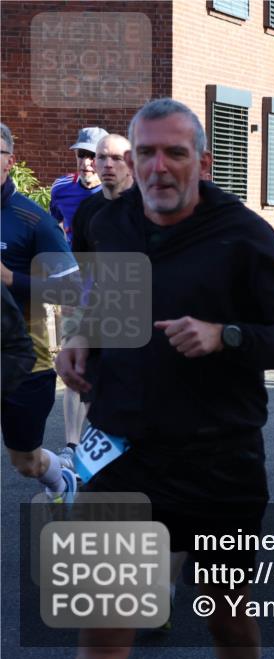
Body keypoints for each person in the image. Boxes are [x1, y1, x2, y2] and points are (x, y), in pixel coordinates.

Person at [56, 99, 274, 659]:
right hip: (122, 453)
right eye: (145, 153)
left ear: (202, 163)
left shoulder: (244, 235)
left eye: (175, 153)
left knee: (225, 617)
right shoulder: (108, 223)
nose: (158, 167)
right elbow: (108, 302)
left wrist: (225, 335)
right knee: (103, 630)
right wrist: (81, 336)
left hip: (218, 462)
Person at [1, 122, 80, 504]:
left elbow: (71, 288)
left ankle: (60, 480)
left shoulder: (33, 220)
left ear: (9, 161)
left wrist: (12, 279)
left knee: (25, 461)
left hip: (23, 361)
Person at [56, 133, 136, 472]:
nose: (101, 164)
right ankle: (74, 446)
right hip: (94, 306)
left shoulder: (147, 205)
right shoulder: (86, 207)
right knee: (79, 369)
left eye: (112, 158)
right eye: (95, 157)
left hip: (137, 308)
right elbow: (82, 262)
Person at [50, 126, 108, 244]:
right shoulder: (61, 188)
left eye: (93, 156)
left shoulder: (119, 191)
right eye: (81, 154)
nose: (85, 163)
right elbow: (53, 224)